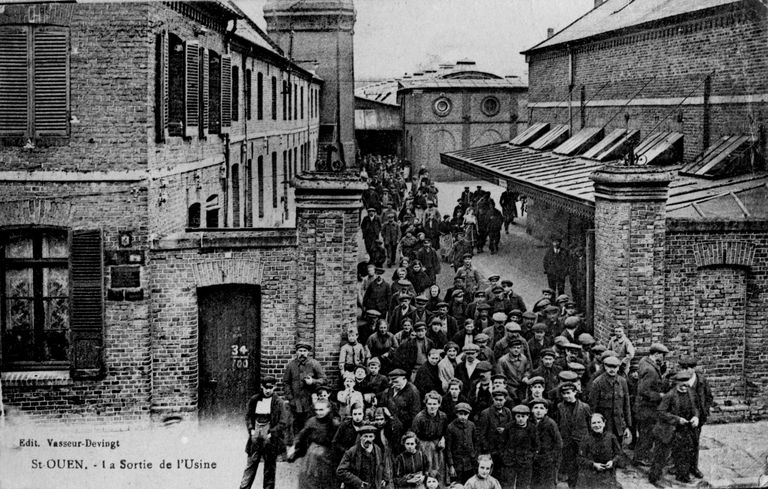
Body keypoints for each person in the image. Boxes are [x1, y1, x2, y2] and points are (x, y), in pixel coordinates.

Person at [649, 370, 700, 485]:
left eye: (686, 385)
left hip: (684, 429)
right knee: (661, 455)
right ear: (676, 383)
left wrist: (696, 417)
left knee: (684, 453)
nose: (684, 388)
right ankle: (654, 477)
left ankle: (682, 475)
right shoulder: (669, 396)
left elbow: (696, 407)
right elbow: (661, 412)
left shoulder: (691, 393)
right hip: (668, 429)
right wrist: (677, 419)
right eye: (682, 385)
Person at [238, 376, 289, 489]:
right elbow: (248, 416)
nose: (268, 390)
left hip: (270, 440)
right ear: (262, 387)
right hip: (255, 437)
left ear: (274, 387)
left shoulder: (279, 403)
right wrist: (251, 429)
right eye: (265, 387)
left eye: (270, 388)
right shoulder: (254, 400)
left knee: (269, 469)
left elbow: (283, 422)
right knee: (251, 465)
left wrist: (272, 433)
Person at [286, 398, 338, 489]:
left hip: (328, 455)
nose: (318, 412)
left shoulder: (334, 423)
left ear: (328, 409)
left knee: (327, 480)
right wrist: (294, 446)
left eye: (321, 410)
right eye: (316, 410)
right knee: (308, 479)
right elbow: (301, 435)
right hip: (312, 455)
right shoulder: (312, 421)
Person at [633, 342, 669, 466]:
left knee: (645, 432)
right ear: (657, 354)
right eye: (662, 355)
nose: (663, 358)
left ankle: (641, 455)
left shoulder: (645, 360)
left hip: (642, 406)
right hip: (646, 408)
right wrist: (660, 396)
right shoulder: (650, 370)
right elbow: (643, 390)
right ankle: (640, 457)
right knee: (646, 433)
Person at [678, 356, 712, 479]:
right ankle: (680, 469)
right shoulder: (679, 380)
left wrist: (704, 412)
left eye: (690, 368)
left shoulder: (702, 381)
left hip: (698, 418)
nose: (687, 370)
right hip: (682, 417)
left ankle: (694, 467)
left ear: (694, 368)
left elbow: (708, 397)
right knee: (681, 443)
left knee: (695, 443)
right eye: (684, 368)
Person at [283, 342, 326, 433]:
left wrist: (313, 381)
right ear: (297, 352)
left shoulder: (314, 364)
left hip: (310, 402)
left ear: (308, 352)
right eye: (300, 351)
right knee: (296, 428)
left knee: (309, 426)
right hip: (295, 403)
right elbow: (286, 383)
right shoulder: (291, 365)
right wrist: (291, 398)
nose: (302, 353)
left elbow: (324, 380)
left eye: (304, 351)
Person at [589, 356, 632, 443]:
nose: (612, 369)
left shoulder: (622, 381)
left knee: (618, 449)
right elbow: (593, 407)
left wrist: (628, 426)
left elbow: (626, 405)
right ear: (605, 366)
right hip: (604, 426)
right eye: (609, 366)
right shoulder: (597, 383)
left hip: (619, 425)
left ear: (618, 367)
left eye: (615, 367)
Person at [558, 381, 592, 489]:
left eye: (569, 393)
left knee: (582, 466)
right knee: (570, 465)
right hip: (567, 441)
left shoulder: (585, 407)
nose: (566, 396)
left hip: (581, 441)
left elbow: (589, 423)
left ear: (575, 392)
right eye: (564, 394)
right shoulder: (559, 407)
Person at [337, 424, 392, 489]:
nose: (368, 439)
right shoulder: (352, 452)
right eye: (365, 436)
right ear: (360, 437)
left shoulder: (378, 450)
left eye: (370, 436)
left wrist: (384, 479)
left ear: (374, 437)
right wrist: (358, 482)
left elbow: (383, 465)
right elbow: (341, 471)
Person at [411, 391, 449, 483]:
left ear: (439, 404)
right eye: (429, 404)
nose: (432, 406)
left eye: (435, 404)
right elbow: (414, 435)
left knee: (439, 469)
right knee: (427, 468)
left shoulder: (443, 416)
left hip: (437, 446)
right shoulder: (419, 418)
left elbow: (445, 431)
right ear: (426, 404)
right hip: (423, 445)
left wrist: (443, 439)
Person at [578, 413, 623, 489]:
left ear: (604, 423)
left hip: (608, 474)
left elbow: (619, 455)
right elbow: (580, 459)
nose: (597, 425)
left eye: (599, 422)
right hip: (591, 476)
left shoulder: (611, 437)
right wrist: (593, 464)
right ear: (591, 425)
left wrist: (613, 462)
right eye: (594, 423)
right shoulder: (585, 439)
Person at [502, 404, 539, 489]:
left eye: (523, 416)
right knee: (508, 484)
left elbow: (536, 445)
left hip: (525, 461)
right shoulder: (509, 427)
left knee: (523, 484)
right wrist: (504, 455)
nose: (520, 419)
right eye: (518, 416)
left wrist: (531, 456)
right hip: (510, 461)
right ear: (515, 416)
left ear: (528, 416)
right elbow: (502, 443)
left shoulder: (532, 428)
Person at [529, 399, 561, 489]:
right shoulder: (529, 423)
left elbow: (558, 443)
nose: (538, 411)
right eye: (536, 408)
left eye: (541, 408)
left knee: (547, 484)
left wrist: (552, 457)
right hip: (533, 460)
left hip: (547, 461)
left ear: (546, 410)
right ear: (531, 410)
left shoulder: (551, 423)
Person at [446, 402, 477, 484]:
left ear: (469, 414)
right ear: (456, 414)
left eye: (466, 414)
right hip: (457, 463)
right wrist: (451, 465)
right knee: (457, 484)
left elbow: (475, 442)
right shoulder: (451, 427)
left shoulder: (471, 425)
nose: (463, 416)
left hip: (470, 462)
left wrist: (475, 457)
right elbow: (448, 448)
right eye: (460, 414)